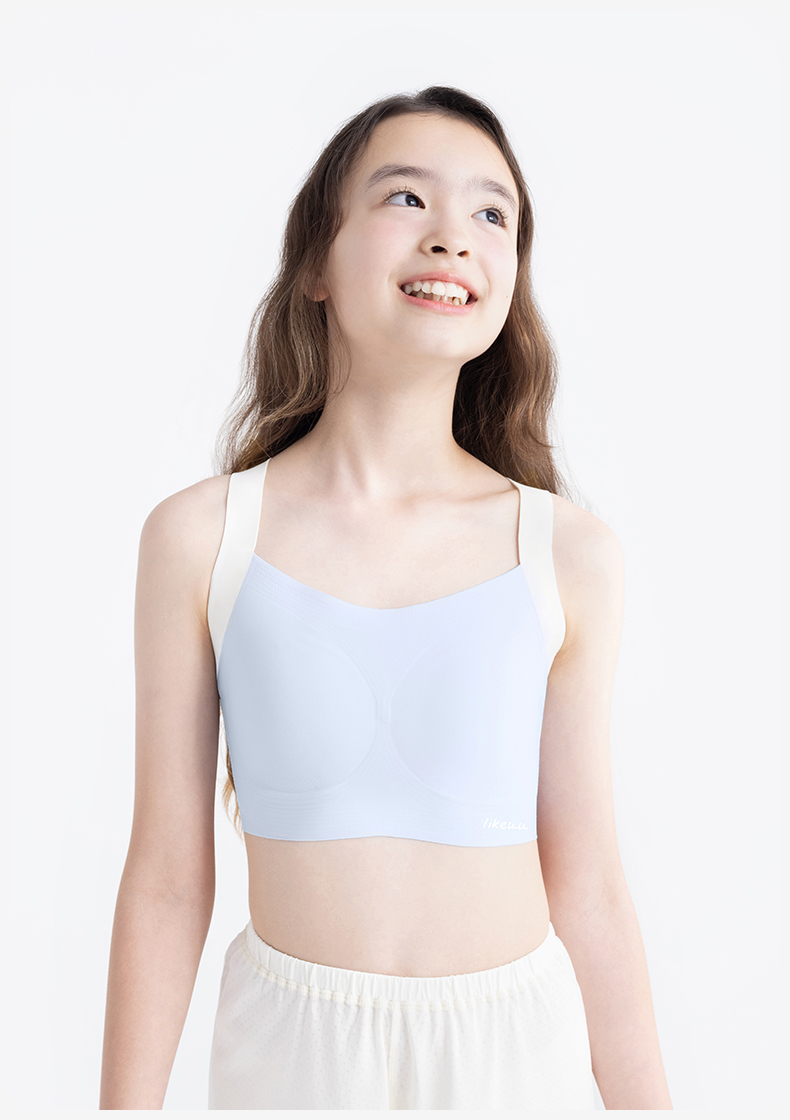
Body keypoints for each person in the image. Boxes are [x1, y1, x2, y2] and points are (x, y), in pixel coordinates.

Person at [99, 85, 673, 1110]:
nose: (453, 235)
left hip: (512, 1057)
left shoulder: (567, 555)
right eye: (406, 198)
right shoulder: (201, 539)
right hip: (287, 1056)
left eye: (491, 213)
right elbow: (168, 879)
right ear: (315, 265)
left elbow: (589, 884)